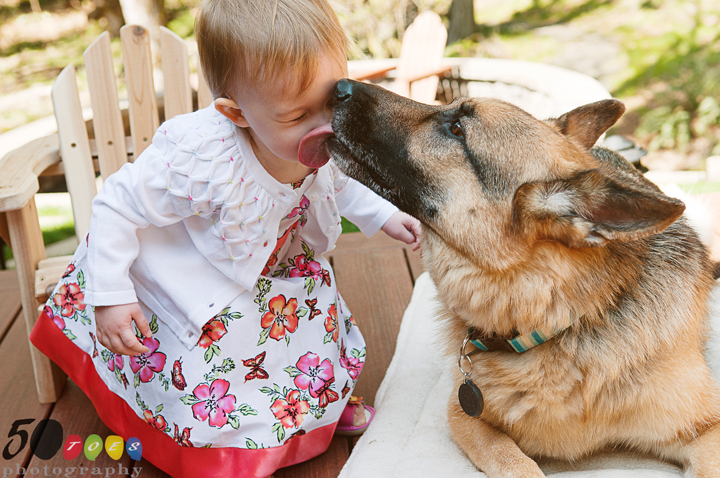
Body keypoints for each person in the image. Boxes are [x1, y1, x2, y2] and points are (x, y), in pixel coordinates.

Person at [29, 0, 421, 477]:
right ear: (237, 113)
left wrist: (383, 214)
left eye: (332, 102)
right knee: (219, 355)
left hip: (271, 267)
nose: (324, 127)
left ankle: (313, 411)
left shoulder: (320, 133)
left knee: (311, 320)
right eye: (298, 115)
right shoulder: (204, 158)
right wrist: (111, 294)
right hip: (195, 275)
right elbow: (116, 204)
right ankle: (220, 447)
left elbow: (339, 181)